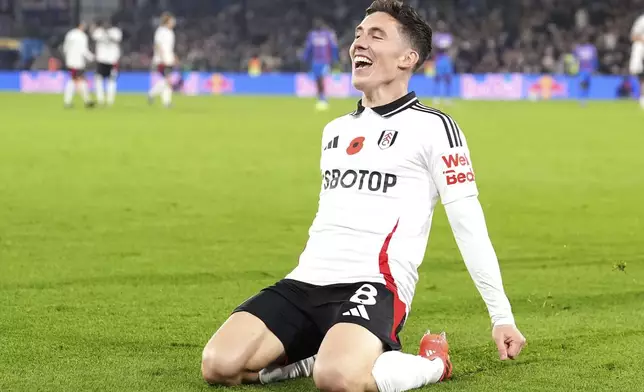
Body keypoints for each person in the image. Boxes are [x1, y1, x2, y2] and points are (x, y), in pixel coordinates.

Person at [201, 1, 526, 392]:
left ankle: (434, 363)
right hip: (306, 281)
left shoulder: (435, 128)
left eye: (376, 35)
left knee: (337, 379)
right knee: (219, 365)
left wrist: (500, 314)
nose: (359, 44)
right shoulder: (334, 130)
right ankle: (313, 357)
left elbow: (467, 222)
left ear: (408, 57)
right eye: (357, 35)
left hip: (374, 285)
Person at [303, 18, 339, 111]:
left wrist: (334, 59)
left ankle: (324, 99)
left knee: (322, 79)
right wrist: (305, 58)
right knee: (317, 80)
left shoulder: (328, 35)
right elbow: (309, 48)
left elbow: (333, 47)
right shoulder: (312, 35)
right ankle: (320, 98)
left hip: (325, 61)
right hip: (315, 62)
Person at [62, 22, 95, 108]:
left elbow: (65, 48)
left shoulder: (70, 34)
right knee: (78, 80)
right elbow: (83, 50)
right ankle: (85, 101)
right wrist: (92, 57)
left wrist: (68, 58)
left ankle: (84, 101)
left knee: (75, 80)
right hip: (78, 62)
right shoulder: (82, 36)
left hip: (70, 61)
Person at [92, 18, 122, 106]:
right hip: (101, 59)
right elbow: (94, 37)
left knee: (111, 80)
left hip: (112, 60)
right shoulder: (98, 31)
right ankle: (100, 100)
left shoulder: (116, 31)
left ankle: (110, 100)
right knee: (98, 80)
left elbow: (117, 39)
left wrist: (107, 33)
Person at [148, 12, 176, 108]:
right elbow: (158, 45)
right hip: (161, 59)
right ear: (167, 21)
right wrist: (162, 57)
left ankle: (166, 102)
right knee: (168, 80)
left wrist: (173, 57)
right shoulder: (160, 31)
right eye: (172, 21)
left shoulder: (170, 32)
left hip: (169, 58)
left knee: (167, 80)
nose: (173, 23)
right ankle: (152, 93)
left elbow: (170, 47)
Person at [432, 21, 454, 105]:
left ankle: (447, 98)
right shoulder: (436, 36)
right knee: (437, 79)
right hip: (439, 59)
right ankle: (436, 98)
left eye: (443, 26)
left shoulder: (448, 36)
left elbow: (450, 47)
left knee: (448, 79)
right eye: (440, 26)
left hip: (446, 59)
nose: (442, 27)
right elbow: (435, 46)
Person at [573, 37, 598, 106]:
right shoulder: (578, 48)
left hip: (589, 70)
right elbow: (574, 58)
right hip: (581, 70)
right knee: (581, 84)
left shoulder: (592, 48)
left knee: (587, 85)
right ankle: (581, 100)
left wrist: (594, 68)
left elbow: (595, 59)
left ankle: (585, 99)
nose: (583, 40)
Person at [630, 12, 644, 109]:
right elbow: (633, 36)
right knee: (641, 77)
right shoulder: (641, 21)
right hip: (641, 51)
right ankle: (642, 99)